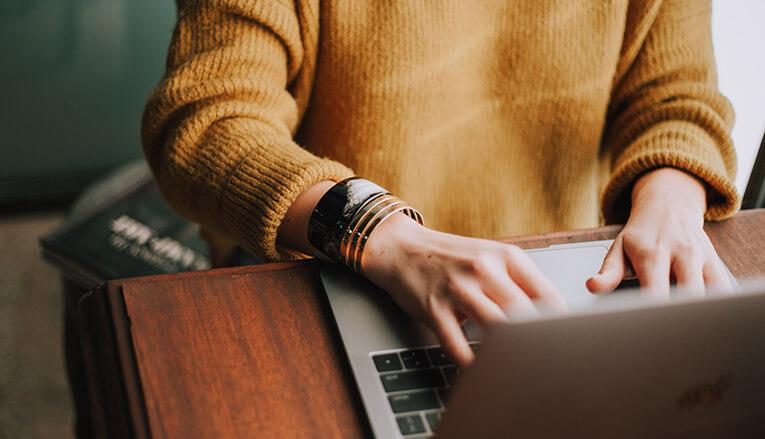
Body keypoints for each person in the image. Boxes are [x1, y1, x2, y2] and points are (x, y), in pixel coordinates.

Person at [142, 0, 739, 367]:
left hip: (559, 290)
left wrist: (673, 195)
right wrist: (380, 233)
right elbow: (205, 122)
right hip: (329, 272)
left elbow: (677, 98)